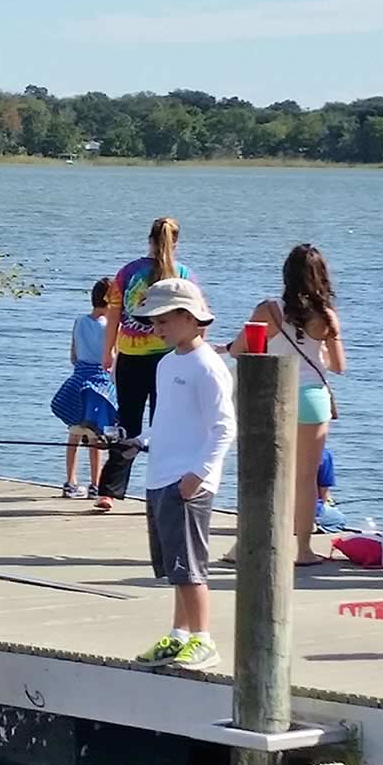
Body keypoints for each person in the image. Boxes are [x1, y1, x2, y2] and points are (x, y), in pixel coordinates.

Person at [129, 279, 235, 673]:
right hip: (159, 477)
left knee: (191, 568)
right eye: (154, 320)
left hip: (188, 482)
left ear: (190, 319)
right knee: (175, 567)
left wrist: (199, 474)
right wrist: (140, 440)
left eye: (164, 319)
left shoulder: (208, 366)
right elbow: (167, 419)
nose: (157, 327)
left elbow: (225, 428)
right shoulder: (166, 363)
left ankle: (203, 640)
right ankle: (178, 635)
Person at [226, 244, 347, 566]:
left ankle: (247, 545)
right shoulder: (326, 316)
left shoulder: (268, 310)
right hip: (313, 397)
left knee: (265, 474)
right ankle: (304, 549)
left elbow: (241, 349)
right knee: (306, 478)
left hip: (275, 396)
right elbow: (338, 366)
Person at [95, 217, 193, 512]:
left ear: (149, 239)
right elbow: (196, 318)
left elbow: (113, 317)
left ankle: (109, 492)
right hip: (169, 356)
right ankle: (166, 486)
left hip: (131, 356)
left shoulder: (127, 273)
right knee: (165, 423)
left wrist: (108, 351)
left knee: (127, 425)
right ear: (176, 242)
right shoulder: (183, 274)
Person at [54, 277, 115, 499]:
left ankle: (70, 481)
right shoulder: (110, 326)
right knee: (96, 437)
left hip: (77, 379)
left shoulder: (79, 320)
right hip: (99, 382)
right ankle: (95, 484)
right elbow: (112, 357)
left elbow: (73, 354)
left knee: (73, 434)